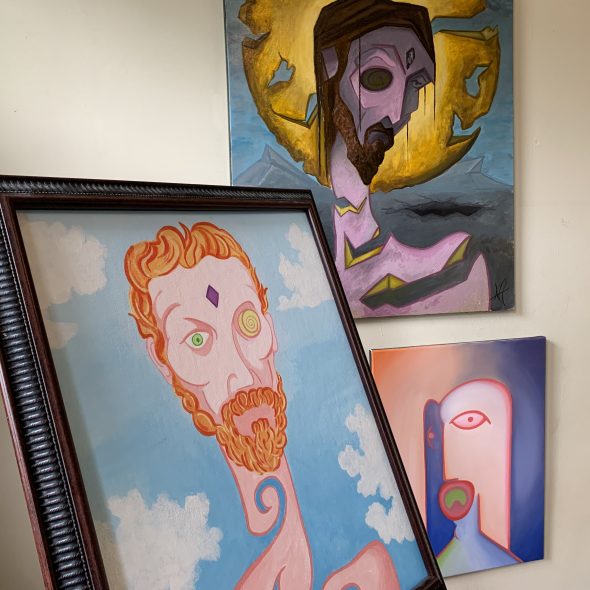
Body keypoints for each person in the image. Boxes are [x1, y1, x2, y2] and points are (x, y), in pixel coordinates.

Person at [124, 221, 400, 589]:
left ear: (270, 325)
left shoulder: (356, 485)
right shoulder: (190, 547)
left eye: (248, 322)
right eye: (197, 340)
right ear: (163, 363)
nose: (242, 375)